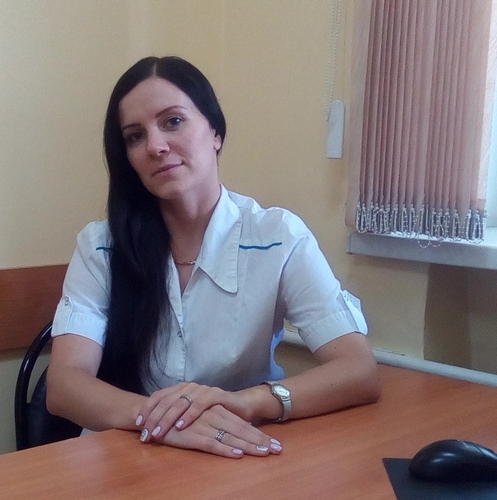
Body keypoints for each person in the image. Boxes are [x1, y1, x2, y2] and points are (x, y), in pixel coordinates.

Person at [46, 56, 381, 459]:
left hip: (235, 452)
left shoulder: (277, 237)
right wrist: (164, 420)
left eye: (173, 121)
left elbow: (358, 370)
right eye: (135, 136)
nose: (155, 146)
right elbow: (65, 386)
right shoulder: (100, 246)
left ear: (216, 132)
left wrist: (247, 402)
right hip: (127, 453)